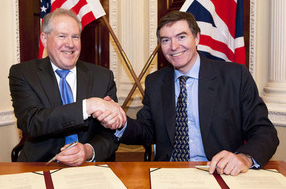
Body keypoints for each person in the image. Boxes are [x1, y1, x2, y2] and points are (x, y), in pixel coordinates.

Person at [95, 11, 279, 176]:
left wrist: (244, 158)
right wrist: (120, 121)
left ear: (197, 37)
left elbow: (264, 131)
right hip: (168, 174)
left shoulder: (234, 76)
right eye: (166, 40)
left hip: (220, 173)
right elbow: (146, 131)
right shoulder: (156, 82)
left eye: (181, 37)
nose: (174, 46)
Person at [9, 8, 126, 166]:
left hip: (89, 168)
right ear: (44, 39)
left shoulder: (103, 77)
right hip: (40, 166)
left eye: (75, 37)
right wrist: (87, 106)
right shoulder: (24, 73)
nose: (70, 44)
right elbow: (31, 123)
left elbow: (110, 135)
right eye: (62, 36)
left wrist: (88, 151)